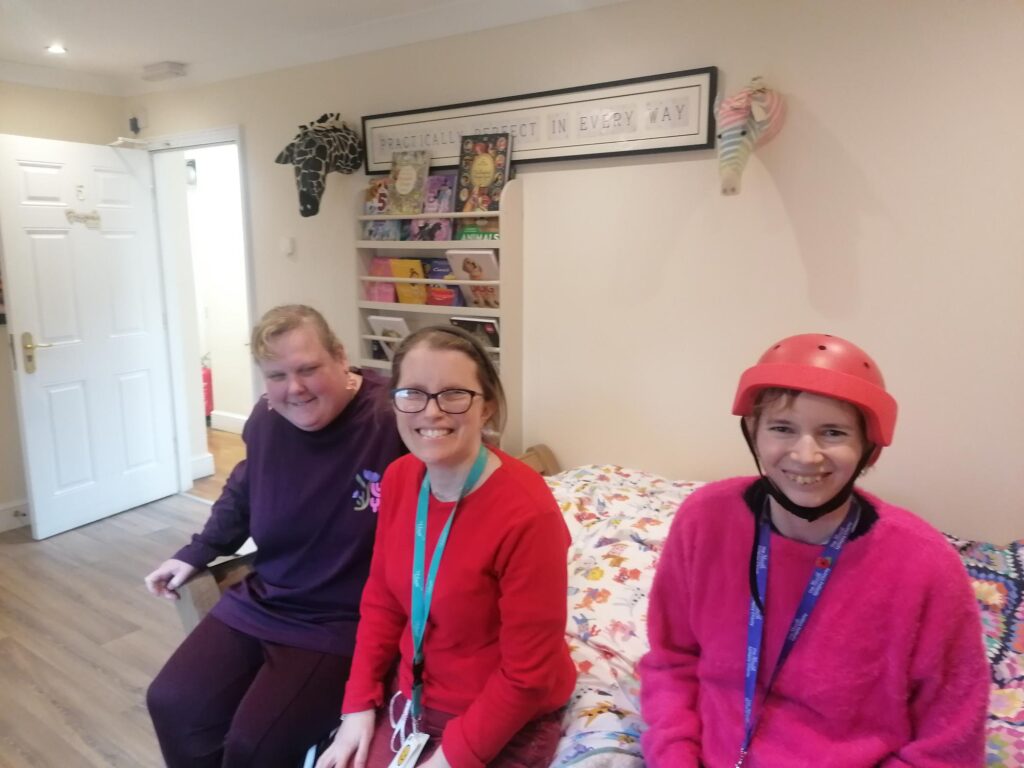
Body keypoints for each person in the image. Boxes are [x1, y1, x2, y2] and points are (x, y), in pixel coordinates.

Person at [639, 333, 988, 767]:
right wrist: (674, 756)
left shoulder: (925, 564)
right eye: (782, 428)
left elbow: (950, 737)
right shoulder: (703, 520)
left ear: (869, 448)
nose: (806, 455)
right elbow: (672, 661)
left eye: (833, 432)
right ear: (753, 433)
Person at [145, 305, 406, 768]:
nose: (295, 388)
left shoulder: (392, 416)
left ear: (341, 357)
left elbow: (460, 468)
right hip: (267, 597)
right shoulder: (267, 419)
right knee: (171, 701)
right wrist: (197, 552)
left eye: (308, 369)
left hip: (344, 620)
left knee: (255, 745)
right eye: (277, 375)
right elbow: (244, 489)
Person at [315, 325, 575, 768]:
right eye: (413, 393)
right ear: (395, 402)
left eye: (454, 394)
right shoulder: (399, 479)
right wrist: (357, 705)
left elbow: (526, 677)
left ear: (487, 406)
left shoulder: (528, 514)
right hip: (414, 702)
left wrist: (450, 759)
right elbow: (382, 600)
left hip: (505, 714)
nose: (431, 412)